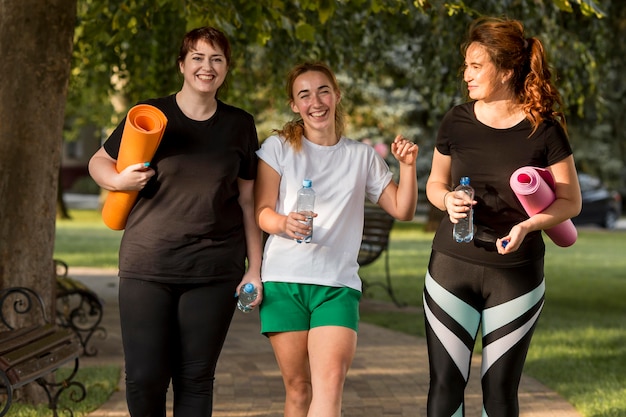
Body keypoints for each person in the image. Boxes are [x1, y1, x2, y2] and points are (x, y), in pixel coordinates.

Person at [88, 26, 262, 417]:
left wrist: (256, 269)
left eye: (216, 59)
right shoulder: (151, 115)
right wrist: (117, 179)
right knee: (145, 377)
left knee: (196, 378)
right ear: (182, 64)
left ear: (226, 69)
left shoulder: (240, 125)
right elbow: (98, 161)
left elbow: (249, 202)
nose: (207, 67)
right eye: (198, 58)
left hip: (214, 269)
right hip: (147, 266)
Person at [423, 17, 582, 417]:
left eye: (476, 66)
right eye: (466, 66)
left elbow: (570, 202)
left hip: (516, 274)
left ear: (506, 71)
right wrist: (447, 201)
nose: (466, 75)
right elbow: (434, 183)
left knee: (499, 395)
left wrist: (529, 224)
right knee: (444, 391)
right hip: (450, 267)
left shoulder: (544, 131)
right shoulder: (456, 119)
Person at [254, 62, 418, 417]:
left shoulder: (361, 157)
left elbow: (402, 210)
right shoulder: (278, 147)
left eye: (323, 90)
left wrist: (407, 167)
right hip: (284, 281)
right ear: (294, 105)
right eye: (304, 94)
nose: (316, 101)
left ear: (337, 95)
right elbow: (262, 211)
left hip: (336, 285)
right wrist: (284, 223)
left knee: (329, 389)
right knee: (298, 390)